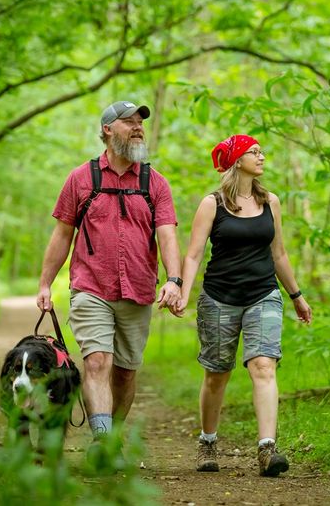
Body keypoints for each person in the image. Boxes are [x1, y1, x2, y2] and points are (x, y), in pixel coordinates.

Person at [37, 100, 182, 465]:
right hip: (91, 287)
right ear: (107, 129)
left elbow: (167, 234)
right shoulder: (81, 178)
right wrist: (45, 284)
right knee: (97, 361)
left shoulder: (155, 182)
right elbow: (62, 234)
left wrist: (174, 280)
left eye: (140, 122)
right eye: (128, 122)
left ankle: (113, 436)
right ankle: (101, 441)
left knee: (125, 373)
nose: (138, 128)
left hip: (138, 289)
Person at [173, 134, 313, 477]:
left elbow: (279, 254)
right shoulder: (212, 204)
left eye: (261, 151)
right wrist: (183, 292)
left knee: (264, 366)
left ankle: (267, 449)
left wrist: (296, 295)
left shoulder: (271, 201)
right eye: (254, 152)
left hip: (263, 294)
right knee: (217, 375)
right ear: (237, 161)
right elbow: (193, 255)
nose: (261, 156)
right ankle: (208, 441)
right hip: (219, 297)